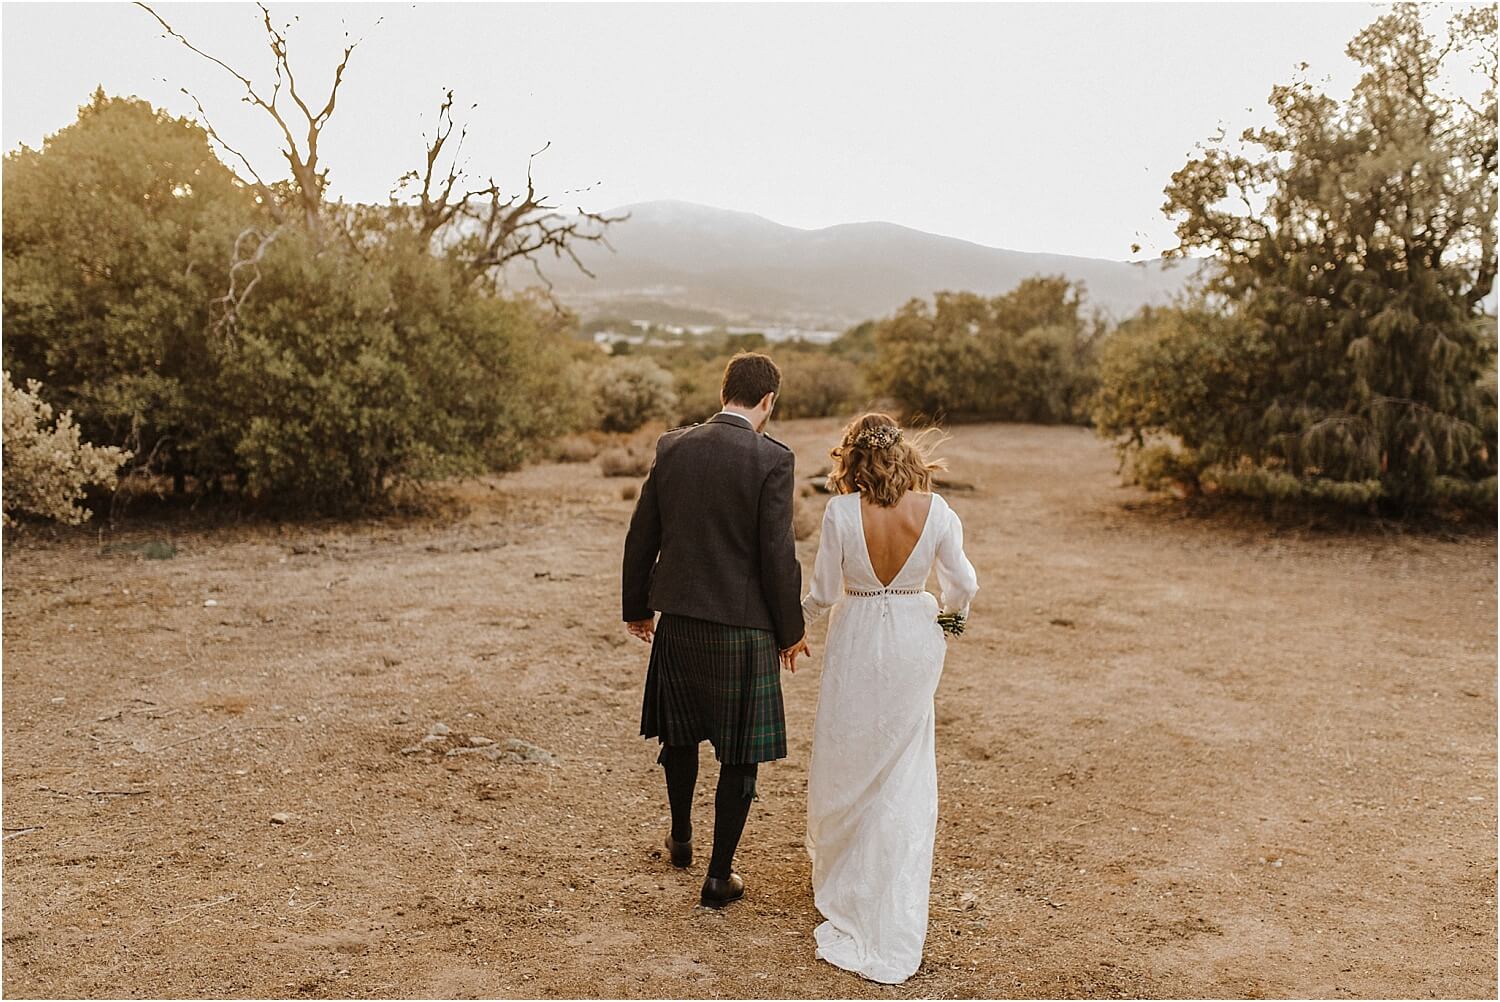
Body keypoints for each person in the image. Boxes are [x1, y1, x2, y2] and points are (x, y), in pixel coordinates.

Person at [621, 351, 810, 909]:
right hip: (743, 628)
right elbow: (779, 554)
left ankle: (681, 838)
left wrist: (638, 607)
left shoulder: (673, 446)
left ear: (723, 390)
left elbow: (641, 534)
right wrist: (789, 630)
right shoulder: (772, 458)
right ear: (768, 400)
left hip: (678, 622)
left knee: (679, 734)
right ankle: (717, 876)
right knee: (739, 754)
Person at [801, 412, 979, 983]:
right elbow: (964, 584)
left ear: (851, 456)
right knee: (903, 757)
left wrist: (794, 627)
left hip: (856, 635)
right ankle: (887, 871)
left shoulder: (840, 512)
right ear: (903, 453)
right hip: (912, 635)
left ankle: (850, 866)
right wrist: (950, 622)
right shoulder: (937, 510)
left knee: (850, 749)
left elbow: (824, 592)